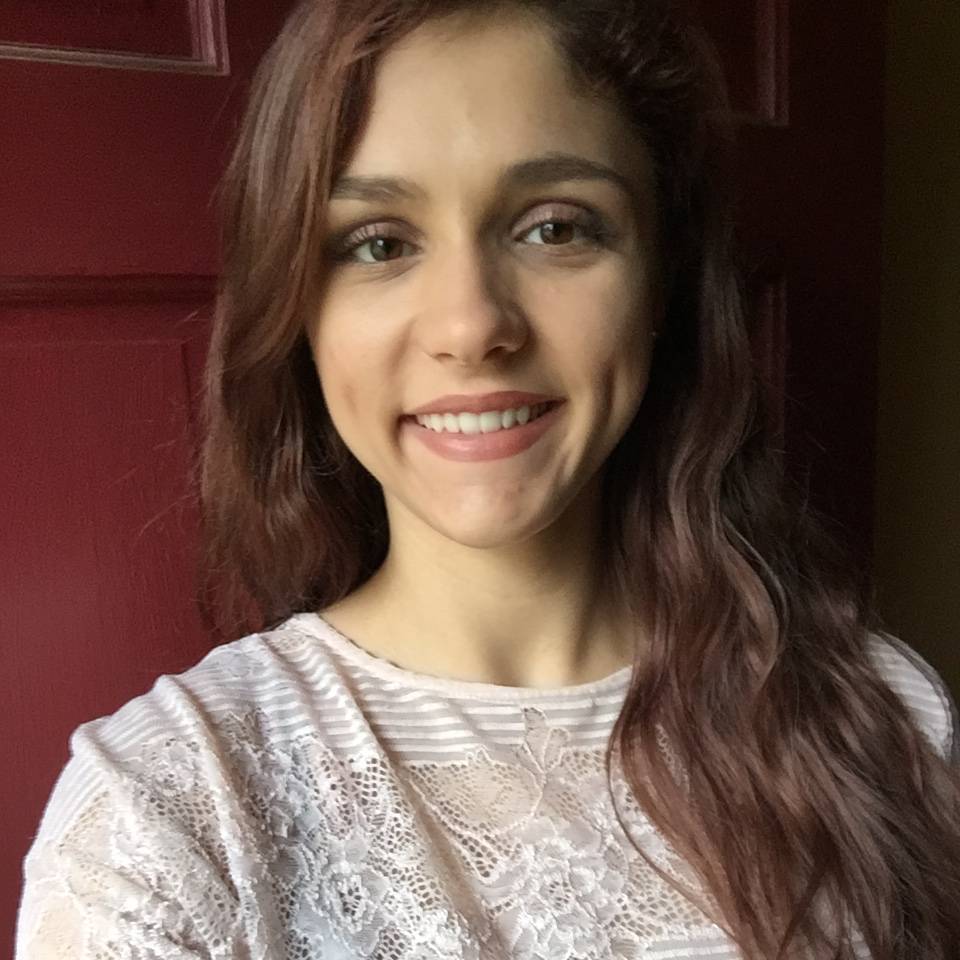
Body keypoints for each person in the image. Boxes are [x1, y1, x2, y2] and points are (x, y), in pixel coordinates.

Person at [15, 0, 960, 957]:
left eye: (554, 228)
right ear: (298, 313)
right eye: (379, 242)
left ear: (662, 279)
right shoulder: (162, 817)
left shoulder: (883, 713)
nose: (470, 326)